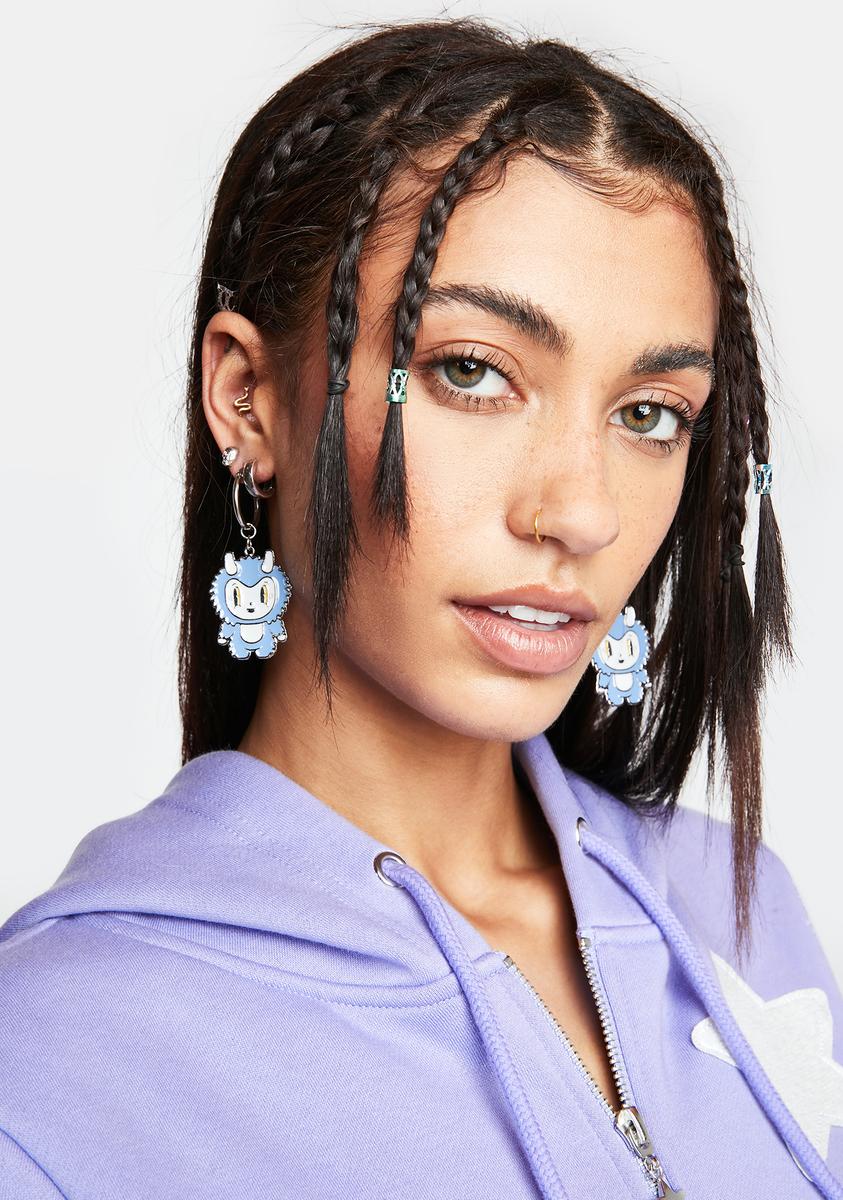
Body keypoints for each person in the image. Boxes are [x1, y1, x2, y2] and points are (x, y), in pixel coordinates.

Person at [1, 16, 841, 1200]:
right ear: (248, 398)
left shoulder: (739, 908)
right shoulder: (52, 1068)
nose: (581, 513)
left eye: (649, 413)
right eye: (472, 372)